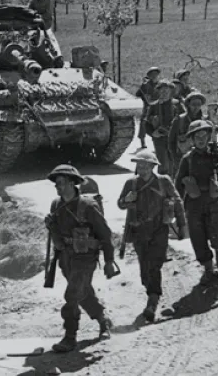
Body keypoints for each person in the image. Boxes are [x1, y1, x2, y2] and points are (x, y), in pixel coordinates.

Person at [44, 164, 116, 353]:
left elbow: (105, 235)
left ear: (71, 183)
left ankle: (69, 337)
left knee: (72, 295)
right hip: (66, 257)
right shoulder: (56, 204)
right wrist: (52, 228)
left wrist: (109, 261)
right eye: (56, 184)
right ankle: (103, 319)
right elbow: (57, 234)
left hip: (85, 257)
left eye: (60, 183)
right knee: (82, 292)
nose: (57, 187)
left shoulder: (88, 206)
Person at [117, 150, 187, 322]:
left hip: (158, 230)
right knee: (144, 270)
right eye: (139, 165)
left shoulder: (163, 182)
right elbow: (120, 204)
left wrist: (182, 225)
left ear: (153, 166)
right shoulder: (131, 183)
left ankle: (152, 302)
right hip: (138, 231)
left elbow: (177, 201)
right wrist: (127, 199)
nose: (142, 168)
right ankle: (151, 291)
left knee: (154, 265)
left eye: (146, 165)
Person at [174, 120, 218, 285]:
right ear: (191, 139)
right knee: (197, 237)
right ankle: (208, 269)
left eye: (204, 135)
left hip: (215, 203)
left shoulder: (217, 156)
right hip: (194, 205)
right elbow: (177, 185)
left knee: (217, 232)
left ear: (209, 137)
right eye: (197, 136)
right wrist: (175, 208)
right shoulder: (187, 159)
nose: (201, 139)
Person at [144, 80, 181, 176]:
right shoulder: (154, 106)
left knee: (175, 163)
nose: (164, 93)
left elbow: (184, 119)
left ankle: (174, 185)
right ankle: (163, 185)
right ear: (158, 92)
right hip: (159, 139)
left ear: (171, 92)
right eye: (162, 91)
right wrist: (153, 133)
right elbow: (146, 123)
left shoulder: (177, 104)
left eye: (167, 91)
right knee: (163, 164)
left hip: (174, 138)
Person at [168, 91, 206, 176]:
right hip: (181, 159)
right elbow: (171, 142)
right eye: (193, 104)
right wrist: (175, 160)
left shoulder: (205, 121)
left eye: (199, 104)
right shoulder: (179, 120)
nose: (196, 107)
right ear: (188, 104)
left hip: (201, 162)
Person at [28, 0, 63, 66]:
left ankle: (57, 56)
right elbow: (28, 11)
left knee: (49, 37)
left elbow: (48, 14)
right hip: (35, 24)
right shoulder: (32, 0)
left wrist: (37, 15)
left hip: (46, 24)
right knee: (29, 37)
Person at [135, 67, 161, 149]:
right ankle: (142, 141)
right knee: (143, 122)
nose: (154, 76)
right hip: (148, 106)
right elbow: (138, 94)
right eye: (152, 74)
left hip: (159, 106)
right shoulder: (145, 85)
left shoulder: (160, 84)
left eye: (155, 74)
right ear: (149, 76)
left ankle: (157, 141)